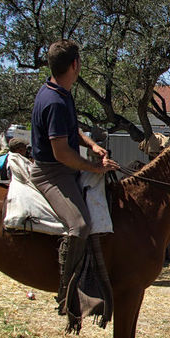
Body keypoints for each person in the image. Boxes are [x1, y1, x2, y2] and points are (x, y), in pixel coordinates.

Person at [29, 39, 119, 316]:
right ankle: (66, 296)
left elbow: (72, 130)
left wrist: (91, 144)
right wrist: (96, 168)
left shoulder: (62, 92)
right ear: (75, 65)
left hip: (65, 167)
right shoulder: (54, 101)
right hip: (51, 174)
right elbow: (62, 154)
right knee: (79, 225)